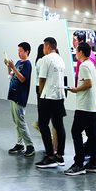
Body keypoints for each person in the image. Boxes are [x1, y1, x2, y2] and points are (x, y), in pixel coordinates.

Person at [64, 42, 96, 175]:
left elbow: (88, 83)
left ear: (81, 52)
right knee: (92, 135)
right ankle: (94, 163)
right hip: (91, 106)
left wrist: (75, 89)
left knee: (75, 132)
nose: (75, 52)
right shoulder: (90, 64)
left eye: (76, 50)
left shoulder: (84, 66)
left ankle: (79, 164)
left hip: (84, 106)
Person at [35, 37, 67, 169]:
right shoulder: (60, 59)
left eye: (44, 46)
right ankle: (60, 155)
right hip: (59, 96)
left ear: (47, 46)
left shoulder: (45, 59)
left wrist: (41, 94)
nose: (43, 49)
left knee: (43, 124)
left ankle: (50, 156)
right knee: (59, 125)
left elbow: (41, 80)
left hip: (47, 97)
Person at [5, 42, 35, 157]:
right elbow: (11, 75)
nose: (19, 53)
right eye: (18, 51)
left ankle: (30, 146)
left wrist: (13, 67)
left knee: (21, 121)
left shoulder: (27, 64)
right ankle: (19, 143)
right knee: (16, 121)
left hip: (20, 96)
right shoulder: (18, 62)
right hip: (13, 95)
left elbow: (23, 79)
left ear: (27, 51)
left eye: (21, 51)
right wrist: (9, 67)